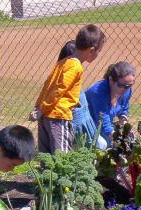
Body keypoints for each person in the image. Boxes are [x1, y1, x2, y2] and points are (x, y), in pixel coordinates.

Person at [29, 24, 106, 154]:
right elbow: (58, 89)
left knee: (46, 155)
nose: (97, 55)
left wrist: (39, 107)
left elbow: (48, 85)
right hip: (59, 116)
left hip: (46, 115)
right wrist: (42, 108)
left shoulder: (63, 62)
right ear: (91, 50)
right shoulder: (76, 66)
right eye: (98, 52)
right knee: (62, 157)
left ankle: (45, 174)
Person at [57, 40, 106, 149]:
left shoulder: (71, 74)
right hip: (74, 128)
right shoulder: (66, 76)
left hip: (84, 125)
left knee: (101, 144)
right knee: (100, 145)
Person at [85, 61, 135, 147]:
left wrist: (125, 126)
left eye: (129, 85)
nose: (125, 89)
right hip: (87, 127)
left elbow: (124, 110)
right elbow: (104, 124)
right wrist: (122, 141)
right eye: (121, 85)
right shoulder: (97, 92)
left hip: (101, 126)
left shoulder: (127, 90)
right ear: (111, 80)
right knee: (102, 145)